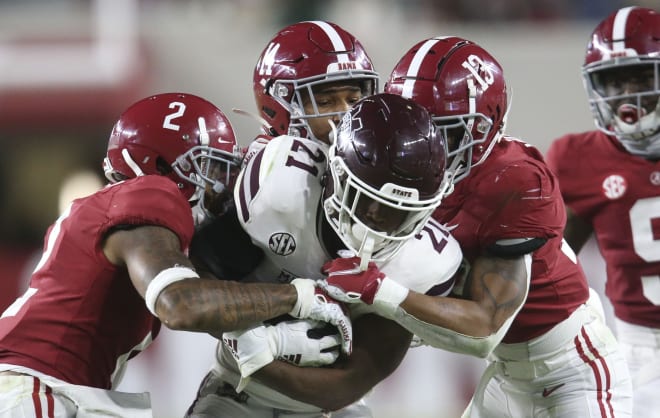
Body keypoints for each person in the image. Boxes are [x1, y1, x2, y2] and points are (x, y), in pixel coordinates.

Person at [321, 36, 634, 417]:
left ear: (485, 127)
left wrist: (380, 290)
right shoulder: (401, 172)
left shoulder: (515, 181)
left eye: (443, 131)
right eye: (418, 128)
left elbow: (486, 327)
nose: (426, 146)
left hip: (572, 370)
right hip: (505, 376)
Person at [0, 92, 352, 417]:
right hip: (36, 388)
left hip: (49, 387)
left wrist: (263, 337)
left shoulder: (117, 212)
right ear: (167, 166)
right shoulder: (155, 193)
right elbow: (181, 304)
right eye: (214, 168)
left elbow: (204, 299)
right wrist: (298, 296)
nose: (223, 187)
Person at [186, 92, 463, 417]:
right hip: (237, 391)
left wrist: (260, 350)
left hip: (337, 408)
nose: (374, 215)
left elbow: (349, 384)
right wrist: (248, 331)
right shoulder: (283, 193)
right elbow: (197, 284)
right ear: (335, 172)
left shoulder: (423, 261)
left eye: (394, 210)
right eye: (365, 197)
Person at [545, 7, 660, 417]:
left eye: (639, 77)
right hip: (643, 346)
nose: (627, 93)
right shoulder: (578, 159)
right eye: (613, 80)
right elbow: (549, 264)